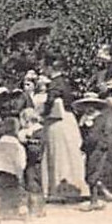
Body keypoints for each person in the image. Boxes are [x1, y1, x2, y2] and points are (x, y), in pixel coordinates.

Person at [39, 66, 88, 203]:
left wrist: (43, 111)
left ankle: (58, 189)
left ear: (50, 66)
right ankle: (73, 188)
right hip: (68, 120)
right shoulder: (65, 82)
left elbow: (51, 100)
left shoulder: (55, 83)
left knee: (59, 154)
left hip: (58, 120)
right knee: (70, 153)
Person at [76, 93, 112, 211]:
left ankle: (95, 199)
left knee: (95, 172)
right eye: (87, 105)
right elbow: (84, 135)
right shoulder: (84, 119)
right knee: (90, 172)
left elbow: (107, 133)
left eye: (92, 105)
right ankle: (95, 196)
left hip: (99, 148)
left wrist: (103, 144)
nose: (89, 108)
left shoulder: (102, 118)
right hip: (89, 148)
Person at [0, 116, 28, 219]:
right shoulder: (18, 146)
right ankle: (21, 211)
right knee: (19, 194)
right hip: (13, 175)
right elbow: (21, 164)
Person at [18, 108, 47, 218]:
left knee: (33, 184)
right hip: (30, 162)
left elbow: (36, 150)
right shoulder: (33, 131)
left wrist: (26, 142)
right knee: (30, 184)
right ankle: (37, 209)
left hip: (34, 163)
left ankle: (36, 210)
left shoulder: (37, 132)